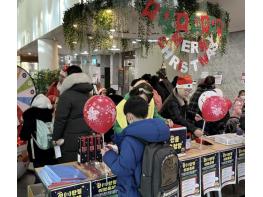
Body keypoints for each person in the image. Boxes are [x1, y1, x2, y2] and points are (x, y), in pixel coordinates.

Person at [101, 96, 170, 197]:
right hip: (156, 188)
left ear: (129, 117)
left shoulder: (131, 139)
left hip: (135, 190)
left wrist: (107, 155)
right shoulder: (160, 133)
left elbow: (123, 169)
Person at [52, 65, 93, 163]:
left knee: (69, 170)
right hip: (88, 138)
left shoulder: (66, 96)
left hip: (70, 141)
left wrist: (55, 138)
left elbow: (60, 120)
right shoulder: (89, 95)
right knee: (86, 170)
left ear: (69, 77)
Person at [113, 81, 172, 146]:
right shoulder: (121, 107)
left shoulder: (150, 102)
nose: (141, 103)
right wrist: (131, 135)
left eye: (144, 102)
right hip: (127, 140)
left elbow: (155, 115)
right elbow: (117, 129)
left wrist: (164, 121)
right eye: (139, 99)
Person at [19, 94, 57, 168]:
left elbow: (24, 136)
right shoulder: (50, 114)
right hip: (51, 150)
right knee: (51, 174)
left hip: (37, 153)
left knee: (39, 173)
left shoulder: (30, 115)